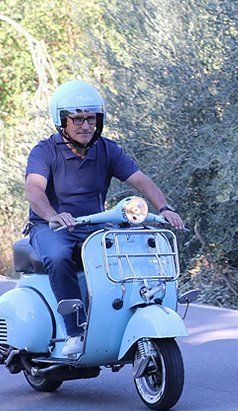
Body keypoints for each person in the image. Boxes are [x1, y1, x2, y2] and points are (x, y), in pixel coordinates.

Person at [24, 80, 184, 356]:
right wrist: (52, 215)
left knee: (131, 249)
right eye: (78, 119)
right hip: (50, 226)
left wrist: (165, 207)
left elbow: (140, 180)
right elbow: (34, 190)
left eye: (92, 118)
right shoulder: (44, 151)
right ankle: (74, 331)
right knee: (59, 256)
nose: (86, 126)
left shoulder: (107, 149)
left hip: (94, 224)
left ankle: (122, 320)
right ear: (62, 121)